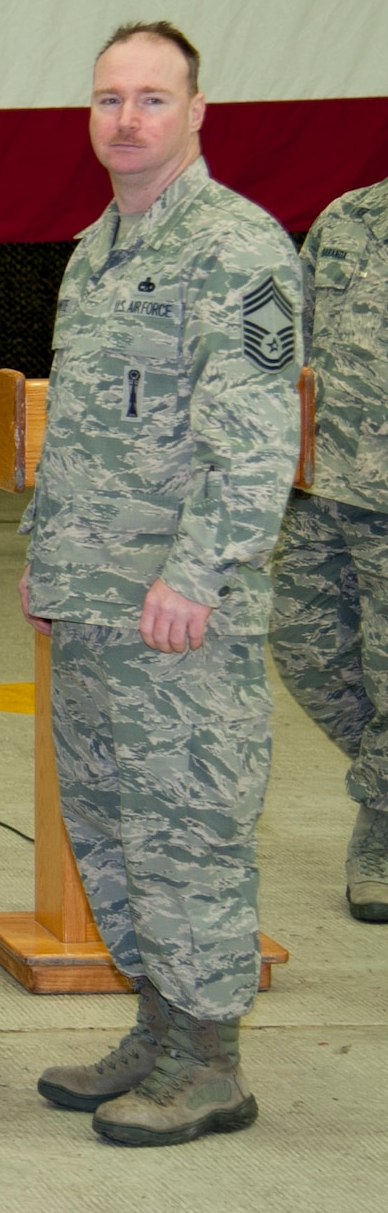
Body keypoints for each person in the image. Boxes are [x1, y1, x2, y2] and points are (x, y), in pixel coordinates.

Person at [21, 21, 301, 1146]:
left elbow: (253, 442)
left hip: (178, 612)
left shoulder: (233, 248)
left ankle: (210, 1061)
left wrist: (196, 572)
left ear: (195, 113)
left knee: (188, 829)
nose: (124, 119)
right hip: (91, 602)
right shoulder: (97, 249)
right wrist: (45, 566)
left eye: (149, 98)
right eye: (107, 98)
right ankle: (158, 1026)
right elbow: (82, 433)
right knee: (113, 828)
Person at [268, 173, 388, 924]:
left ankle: (379, 828)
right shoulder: (349, 217)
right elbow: (296, 346)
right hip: (324, 488)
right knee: (303, 648)